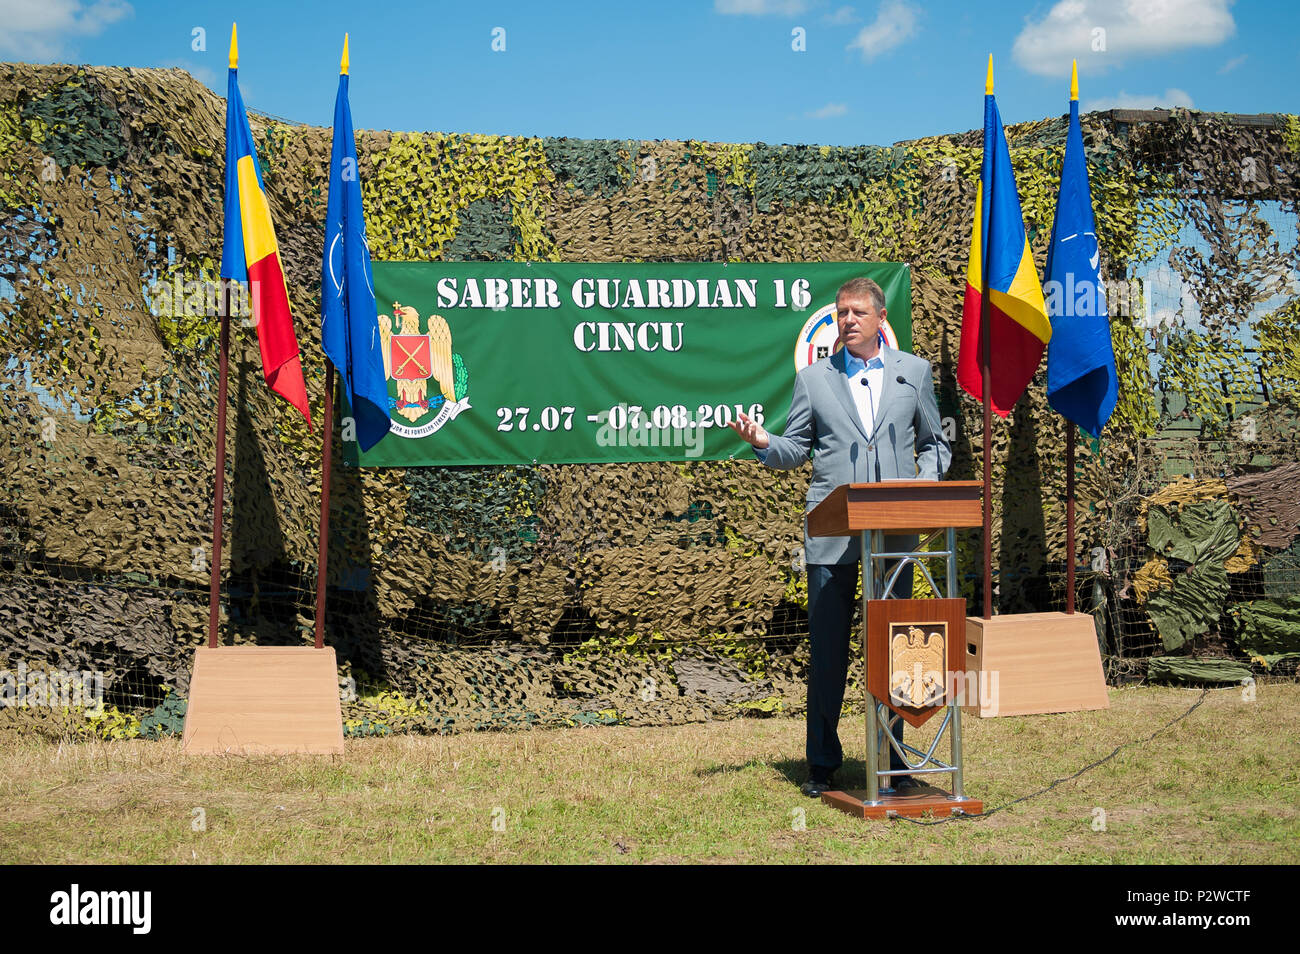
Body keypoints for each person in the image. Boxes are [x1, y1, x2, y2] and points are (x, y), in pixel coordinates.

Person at [728, 277, 951, 797]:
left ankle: (894, 762)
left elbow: (935, 444)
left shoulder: (912, 373)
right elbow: (794, 448)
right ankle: (822, 764)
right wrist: (763, 441)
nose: (847, 320)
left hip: (893, 538)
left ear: (879, 318)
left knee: (901, 650)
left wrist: (922, 487)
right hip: (832, 537)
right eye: (840, 313)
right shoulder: (814, 379)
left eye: (856, 312)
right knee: (828, 651)